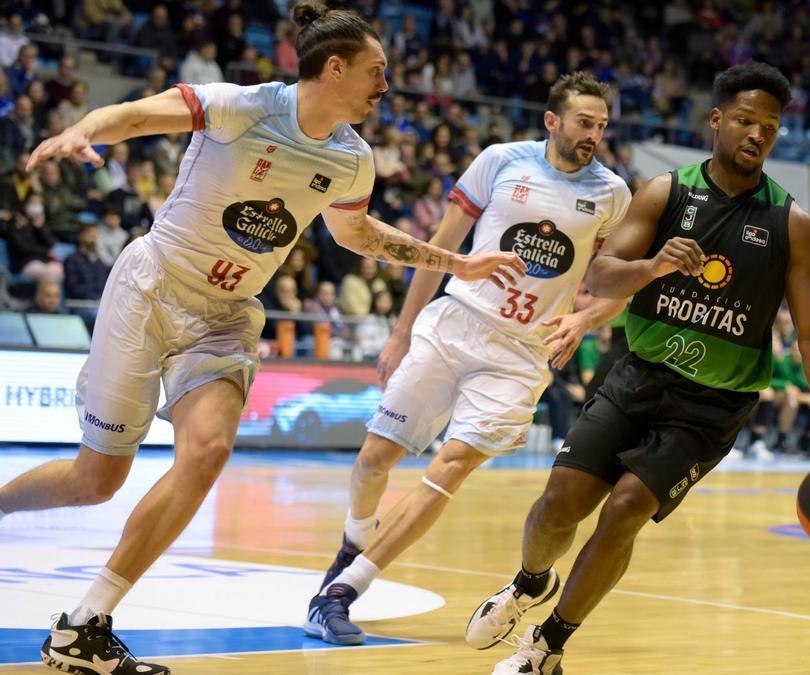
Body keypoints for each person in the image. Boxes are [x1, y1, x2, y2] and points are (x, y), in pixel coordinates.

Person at [0, 5, 524, 674]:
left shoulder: (352, 159)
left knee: (210, 449)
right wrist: (82, 128)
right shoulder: (241, 107)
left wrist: (461, 264)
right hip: (152, 288)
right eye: (376, 72)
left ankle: (84, 625)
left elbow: (360, 237)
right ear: (333, 68)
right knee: (96, 479)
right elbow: (137, 114)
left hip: (225, 315)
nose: (385, 88)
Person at [469, 62, 810, 675]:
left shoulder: (791, 224)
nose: (757, 134)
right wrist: (656, 266)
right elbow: (602, 274)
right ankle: (530, 584)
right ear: (716, 120)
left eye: (770, 126)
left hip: (712, 406)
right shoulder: (666, 192)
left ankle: (548, 647)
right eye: (745, 120)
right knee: (560, 503)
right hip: (636, 373)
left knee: (626, 508)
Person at [305, 71, 632, 646]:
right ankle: (352, 546)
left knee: (449, 467)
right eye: (584, 122)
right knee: (375, 459)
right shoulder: (500, 160)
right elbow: (441, 246)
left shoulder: (613, 194)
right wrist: (403, 330)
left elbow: (620, 282)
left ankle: (341, 591)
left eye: (602, 126)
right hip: (454, 325)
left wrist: (586, 317)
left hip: (521, 355)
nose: (594, 134)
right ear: (552, 120)